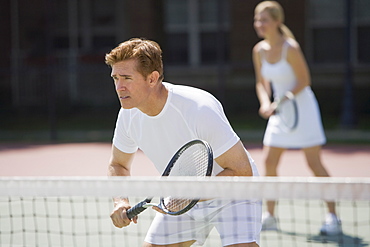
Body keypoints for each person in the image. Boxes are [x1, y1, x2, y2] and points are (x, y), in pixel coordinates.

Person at [106, 38, 262, 247]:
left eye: (127, 78)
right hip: (182, 197)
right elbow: (118, 164)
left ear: (152, 79)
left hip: (232, 194)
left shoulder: (198, 108)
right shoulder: (128, 115)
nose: (119, 86)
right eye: (115, 78)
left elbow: (242, 171)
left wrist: (187, 195)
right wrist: (120, 200)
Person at [252, 1, 342, 236]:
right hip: (280, 113)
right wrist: (265, 103)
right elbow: (262, 83)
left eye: (264, 20)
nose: (259, 24)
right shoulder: (259, 50)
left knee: (314, 163)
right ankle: (270, 215)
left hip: (303, 110)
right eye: (257, 20)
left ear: (277, 22)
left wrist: (285, 99)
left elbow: (304, 80)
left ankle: (333, 217)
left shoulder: (290, 47)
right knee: (269, 162)